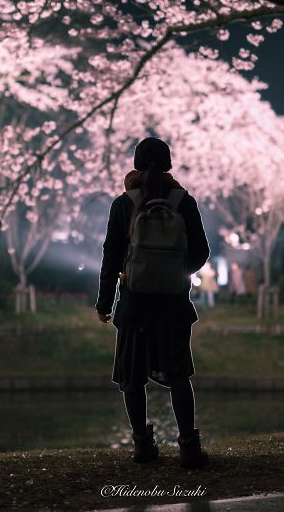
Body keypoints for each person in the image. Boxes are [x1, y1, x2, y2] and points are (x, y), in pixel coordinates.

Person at [95, 137, 211, 469]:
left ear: (136, 163)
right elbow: (201, 252)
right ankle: (189, 446)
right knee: (178, 376)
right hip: (173, 303)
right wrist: (177, 271)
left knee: (132, 378)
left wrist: (105, 302)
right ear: (169, 163)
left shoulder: (123, 204)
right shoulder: (183, 201)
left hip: (134, 304)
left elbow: (111, 257)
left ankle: (143, 445)